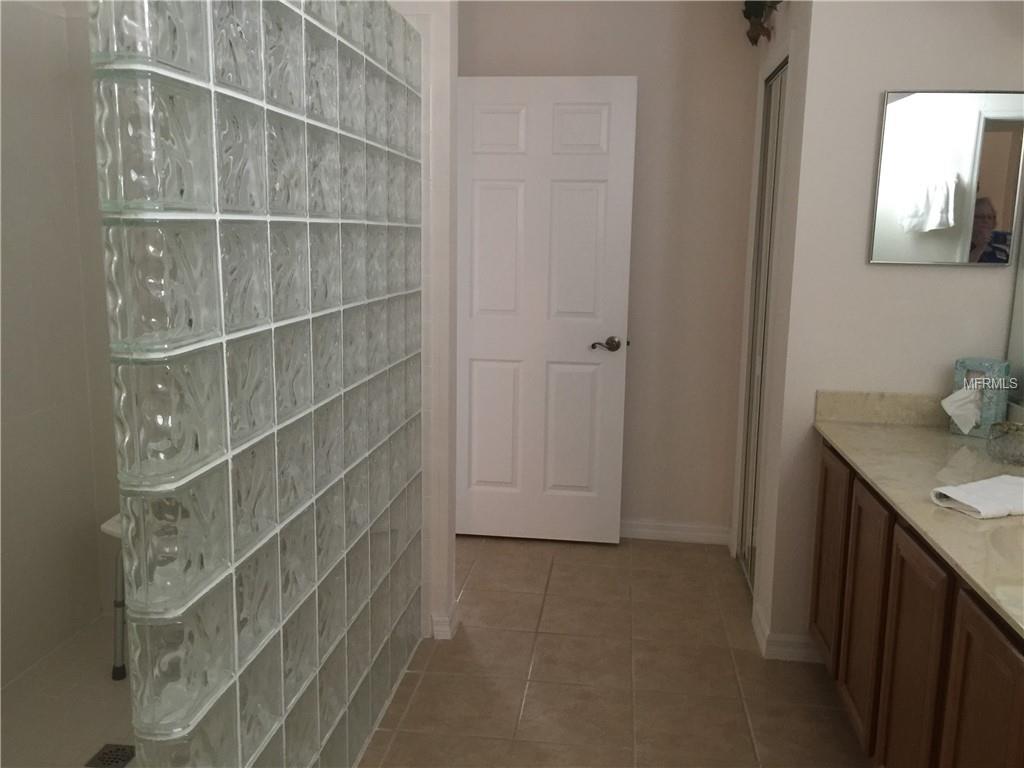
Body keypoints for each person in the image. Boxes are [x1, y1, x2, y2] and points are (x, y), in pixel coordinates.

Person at [969, 197, 1011, 264]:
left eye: (989, 217)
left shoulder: (1002, 251)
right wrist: (980, 247)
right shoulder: (963, 248)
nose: (986, 220)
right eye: (981, 217)